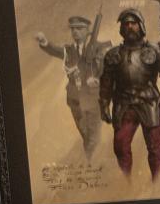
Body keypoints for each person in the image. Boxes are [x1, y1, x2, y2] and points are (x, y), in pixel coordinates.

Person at [98, 8, 160, 179]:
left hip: (149, 103)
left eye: (133, 23)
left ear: (140, 26)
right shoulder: (113, 55)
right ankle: (125, 184)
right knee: (120, 146)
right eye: (125, 23)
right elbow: (106, 83)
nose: (129, 26)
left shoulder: (154, 50)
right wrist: (104, 105)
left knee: (155, 148)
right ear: (121, 28)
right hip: (123, 105)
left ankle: (158, 184)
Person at [35, 14, 108, 161]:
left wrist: (99, 79)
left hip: (93, 98)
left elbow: (106, 69)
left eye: (79, 28)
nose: (75, 32)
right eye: (73, 29)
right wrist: (44, 42)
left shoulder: (99, 48)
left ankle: (93, 166)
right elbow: (54, 50)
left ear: (88, 30)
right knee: (85, 134)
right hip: (75, 99)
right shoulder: (68, 50)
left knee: (93, 137)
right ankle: (92, 164)